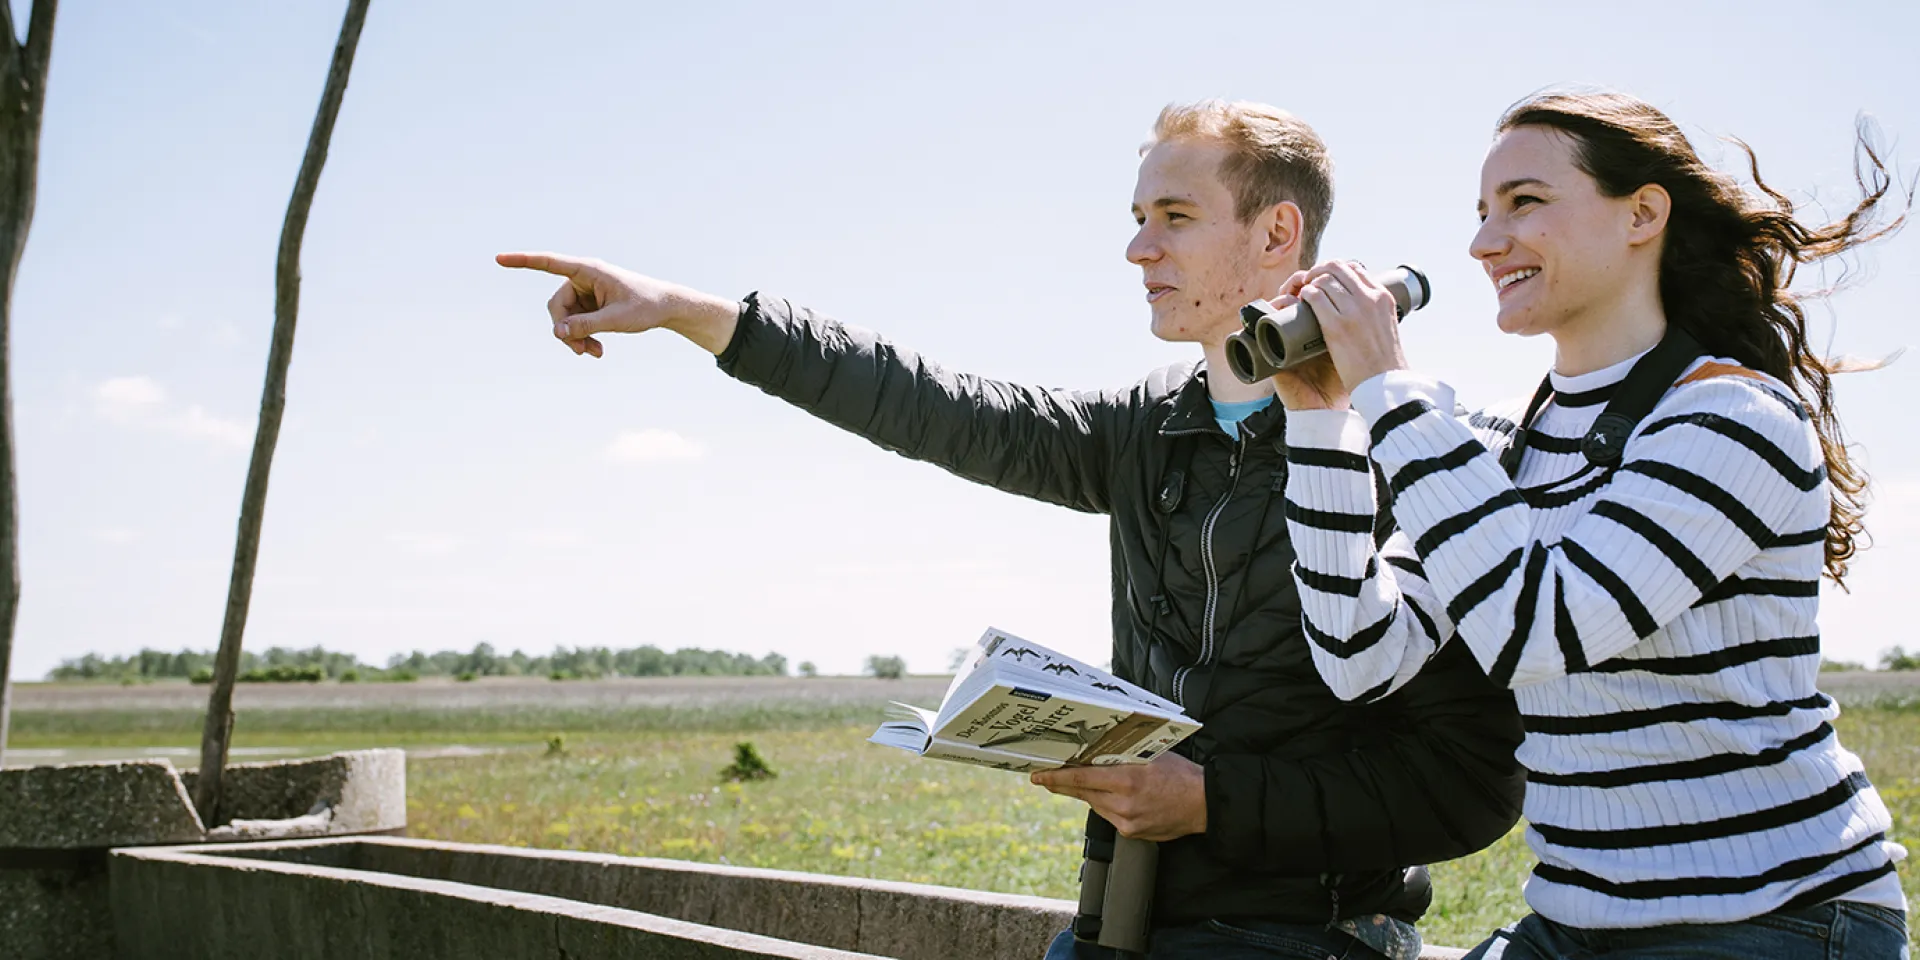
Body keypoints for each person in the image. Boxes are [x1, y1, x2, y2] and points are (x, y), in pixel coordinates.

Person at [499, 99, 1527, 960]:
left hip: (1309, 937)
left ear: (1276, 236)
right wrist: (689, 311)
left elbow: (1469, 788)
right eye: (1137, 215)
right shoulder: (1140, 430)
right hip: (1116, 920)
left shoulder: (1417, 454)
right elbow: (925, 403)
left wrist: (1214, 802)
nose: (1137, 247)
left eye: (1174, 215)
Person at [1270, 89, 1910, 958]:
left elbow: (1534, 626)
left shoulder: (1732, 418)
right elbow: (1359, 656)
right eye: (1482, 213)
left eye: (1525, 202)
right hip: (1581, 919)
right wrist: (1324, 424)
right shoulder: (1497, 438)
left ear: (1643, 213)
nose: (1485, 242)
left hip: (1776, 914)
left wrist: (1390, 387)